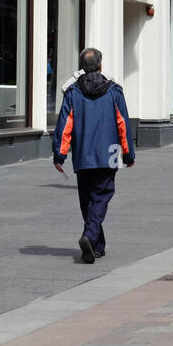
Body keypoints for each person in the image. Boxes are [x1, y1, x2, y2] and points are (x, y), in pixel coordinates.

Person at [53, 48, 134, 264]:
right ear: (100, 66)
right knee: (101, 195)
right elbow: (123, 125)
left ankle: (96, 246)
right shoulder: (114, 91)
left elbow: (65, 126)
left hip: (83, 154)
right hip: (109, 153)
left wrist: (59, 154)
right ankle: (90, 236)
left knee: (87, 200)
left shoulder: (73, 92)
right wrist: (128, 154)